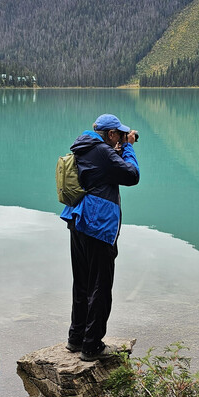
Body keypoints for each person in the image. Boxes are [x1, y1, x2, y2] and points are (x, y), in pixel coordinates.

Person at [60, 113, 140, 360]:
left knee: (82, 283)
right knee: (101, 286)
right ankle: (92, 346)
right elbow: (131, 175)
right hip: (99, 226)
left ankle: (76, 338)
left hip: (79, 221)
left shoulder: (84, 147)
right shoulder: (104, 153)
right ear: (112, 134)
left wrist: (115, 150)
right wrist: (128, 148)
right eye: (119, 134)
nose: (123, 137)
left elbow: (101, 169)